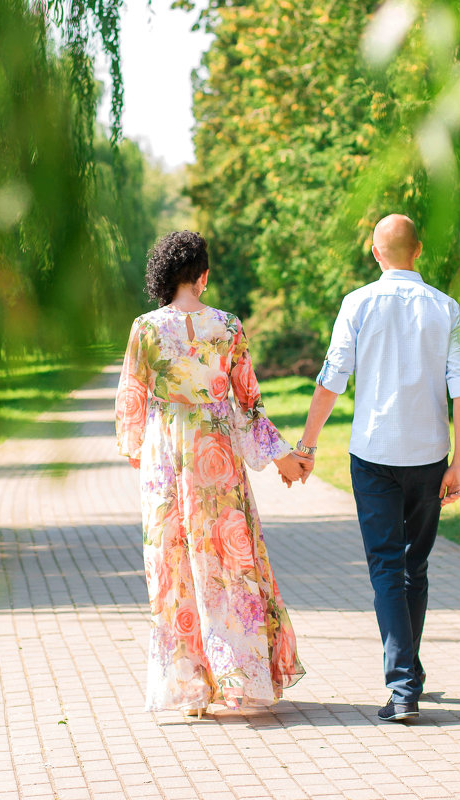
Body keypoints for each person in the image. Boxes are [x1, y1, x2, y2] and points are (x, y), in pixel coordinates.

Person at [293, 214, 460, 724]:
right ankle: (409, 673)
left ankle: (402, 688)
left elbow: (332, 379)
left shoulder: (357, 304)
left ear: (375, 253)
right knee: (412, 566)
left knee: (386, 569)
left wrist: (307, 445)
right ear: (417, 251)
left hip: (373, 456)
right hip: (428, 458)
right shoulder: (446, 308)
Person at [116, 230, 309, 718]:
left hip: (167, 462)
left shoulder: (145, 329)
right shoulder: (228, 327)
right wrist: (285, 457)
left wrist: (141, 453)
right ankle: (236, 677)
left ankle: (191, 690)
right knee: (228, 565)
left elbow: (131, 406)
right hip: (216, 458)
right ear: (203, 276)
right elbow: (247, 405)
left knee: (175, 567)